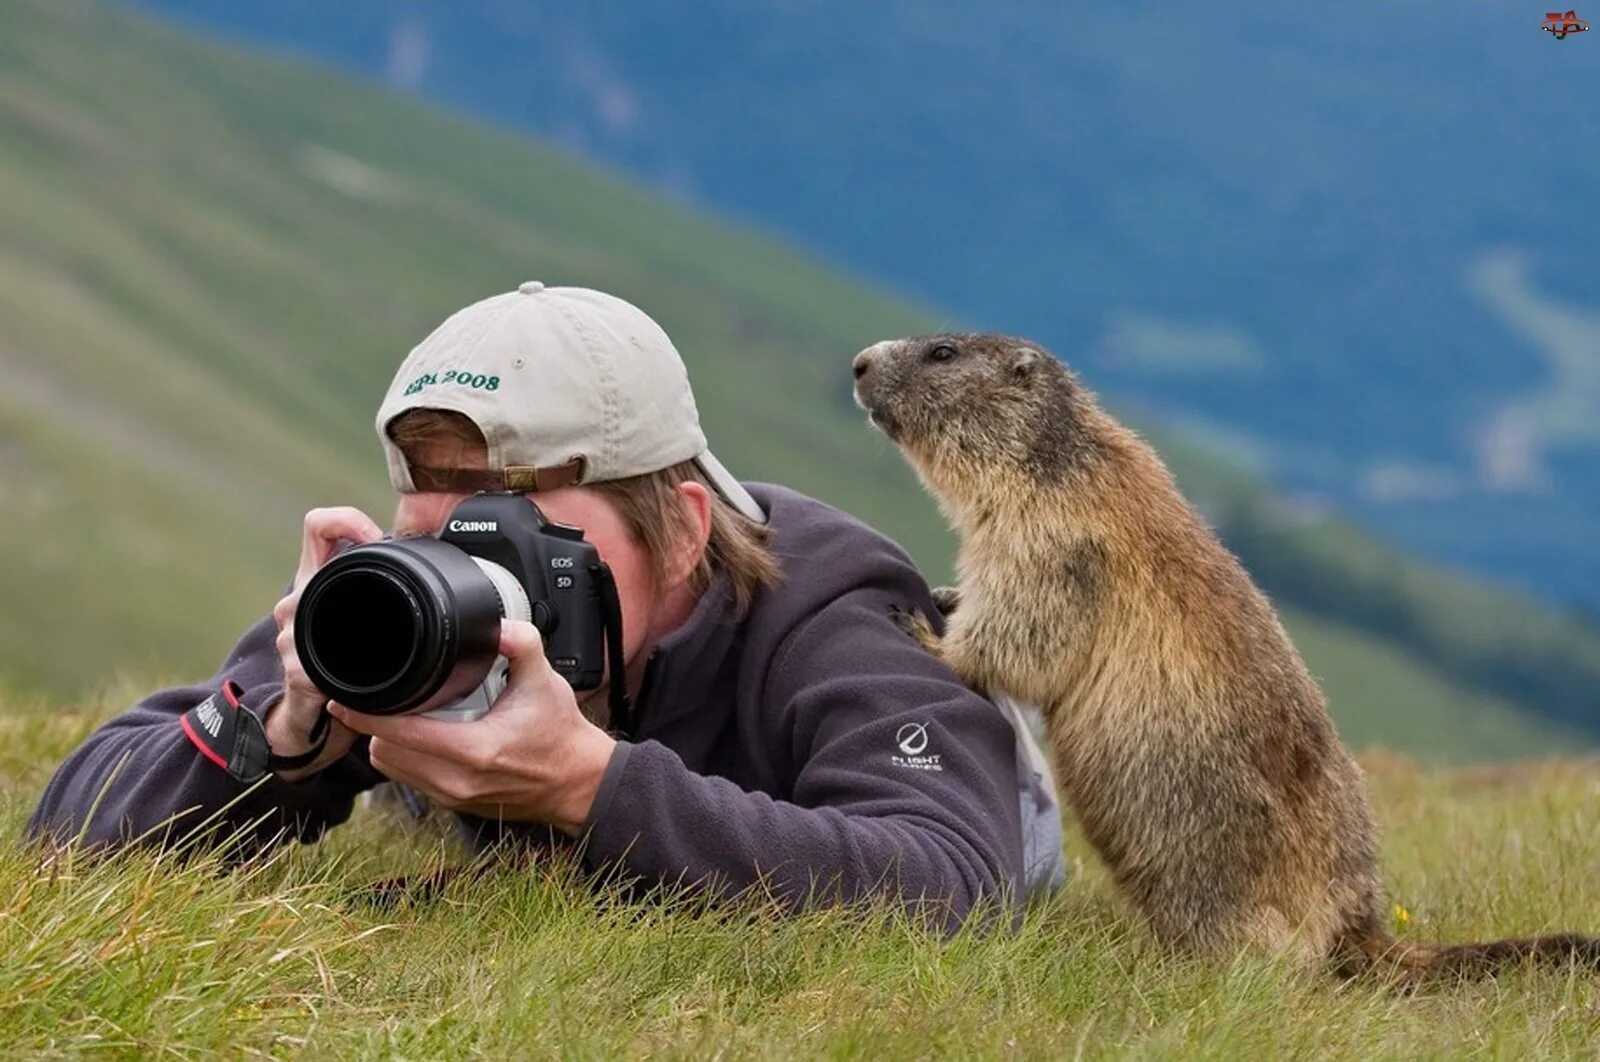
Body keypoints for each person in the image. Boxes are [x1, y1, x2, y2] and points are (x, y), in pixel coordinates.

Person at [28, 282, 1066, 927]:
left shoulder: (829, 612)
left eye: (516, 523)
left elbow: (949, 882)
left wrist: (586, 787)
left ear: (685, 526)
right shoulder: (407, 595)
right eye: (433, 514)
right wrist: (283, 734)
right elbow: (71, 840)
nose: (474, 565)